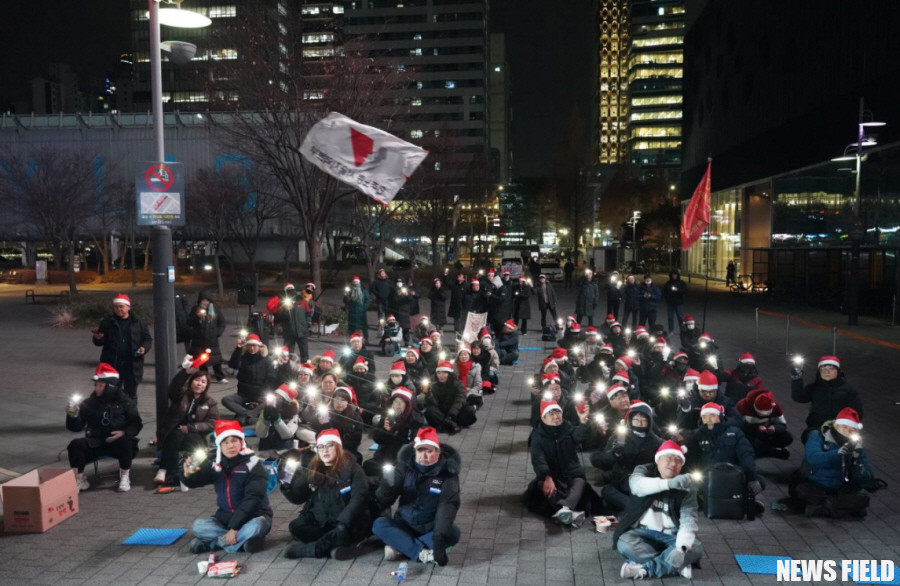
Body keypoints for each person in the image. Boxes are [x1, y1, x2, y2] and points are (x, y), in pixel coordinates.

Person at [614, 440, 704, 580]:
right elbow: (637, 486)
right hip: (642, 533)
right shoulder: (644, 470)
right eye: (668, 458)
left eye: (678, 460)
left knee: (696, 547)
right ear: (658, 459)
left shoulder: (687, 485)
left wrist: (681, 548)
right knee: (624, 543)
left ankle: (644, 569)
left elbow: (688, 520)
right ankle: (675, 566)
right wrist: (668, 484)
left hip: (672, 537)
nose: (673, 463)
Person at [373, 427, 462, 566]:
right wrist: (386, 486)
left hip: (429, 527)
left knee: (453, 532)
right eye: (420, 450)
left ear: (437, 452)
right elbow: (385, 500)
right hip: (405, 523)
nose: (424, 456)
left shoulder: (448, 474)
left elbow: (447, 507)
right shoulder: (404, 466)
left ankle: (401, 547)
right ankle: (420, 552)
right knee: (379, 525)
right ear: (414, 451)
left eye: (429, 451)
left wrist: (438, 542)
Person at [182, 420, 273, 553]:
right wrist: (186, 474)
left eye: (234, 441)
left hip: (253, 517)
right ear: (220, 446)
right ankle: (242, 542)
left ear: (242, 442)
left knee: (258, 526)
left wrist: (234, 529)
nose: (231, 445)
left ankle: (214, 544)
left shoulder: (254, 465)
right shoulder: (216, 464)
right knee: (198, 526)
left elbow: (253, 499)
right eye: (226, 442)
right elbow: (195, 482)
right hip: (225, 518)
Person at [281, 429, 372, 559]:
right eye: (321, 447)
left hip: (346, 522)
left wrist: (343, 521)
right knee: (296, 526)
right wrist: (287, 486)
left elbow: (360, 497)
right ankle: (335, 545)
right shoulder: (314, 468)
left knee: (341, 532)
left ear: (338, 448)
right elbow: (299, 497)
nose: (325, 450)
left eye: (329, 446)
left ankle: (313, 549)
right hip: (322, 522)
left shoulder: (353, 468)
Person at [66, 363, 143, 492]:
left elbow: (136, 423)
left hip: (117, 443)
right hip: (96, 442)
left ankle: (124, 476)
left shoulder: (125, 402)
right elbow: (76, 427)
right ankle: (79, 478)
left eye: (101, 385)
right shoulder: (89, 403)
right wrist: (72, 416)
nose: (97, 388)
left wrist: (124, 432)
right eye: (96, 385)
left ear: (110, 387)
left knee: (125, 441)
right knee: (75, 445)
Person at [523, 400, 602, 526]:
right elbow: (539, 460)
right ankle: (571, 514)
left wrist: (583, 421)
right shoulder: (537, 436)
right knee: (544, 490)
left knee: (580, 483)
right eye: (551, 414)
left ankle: (565, 510)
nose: (556, 417)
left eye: (558, 413)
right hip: (552, 475)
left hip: (572, 473)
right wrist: (547, 477)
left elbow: (579, 436)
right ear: (543, 418)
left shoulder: (567, 428)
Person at [792, 408, 872, 518]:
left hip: (841, 487)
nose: (848, 431)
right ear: (835, 425)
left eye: (852, 429)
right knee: (803, 492)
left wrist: (858, 464)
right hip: (816, 483)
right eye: (844, 427)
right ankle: (839, 509)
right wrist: (836, 454)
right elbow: (813, 458)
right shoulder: (818, 436)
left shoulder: (856, 446)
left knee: (863, 497)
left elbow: (867, 476)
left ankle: (826, 509)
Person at [685, 402, 764, 513]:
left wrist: (751, 477)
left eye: (712, 416)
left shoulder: (735, 433)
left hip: (732, 477)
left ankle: (747, 500)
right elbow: (690, 459)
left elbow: (746, 455)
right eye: (704, 417)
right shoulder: (697, 435)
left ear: (720, 417)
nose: (709, 420)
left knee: (759, 481)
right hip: (707, 478)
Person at [592, 401, 664, 511]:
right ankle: (636, 507)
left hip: (643, 481)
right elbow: (602, 459)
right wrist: (616, 453)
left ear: (649, 421)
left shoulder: (657, 442)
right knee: (607, 491)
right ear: (630, 420)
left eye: (643, 420)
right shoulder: (620, 437)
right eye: (636, 419)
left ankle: (635, 506)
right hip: (622, 480)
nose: (639, 423)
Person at [156, 369, 218, 486]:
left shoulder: (210, 402)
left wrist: (191, 427)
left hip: (195, 432)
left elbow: (212, 423)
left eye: (203, 382)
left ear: (207, 386)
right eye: (197, 380)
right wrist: (185, 372)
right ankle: (170, 472)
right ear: (191, 382)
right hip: (176, 429)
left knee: (196, 444)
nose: (199, 384)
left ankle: (192, 471)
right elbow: (174, 388)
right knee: (174, 438)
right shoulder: (181, 396)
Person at [91, 293, 152, 402]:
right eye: (116, 307)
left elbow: (147, 339)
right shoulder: (107, 322)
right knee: (111, 392)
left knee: (131, 394)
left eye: (121, 306)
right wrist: (98, 338)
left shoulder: (138, 322)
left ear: (128, 307)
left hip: (132, 364)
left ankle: (131, 416)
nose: (119, 309)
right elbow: (100, 342)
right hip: (112, 364)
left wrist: (144, 348)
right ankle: (114, 416)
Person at [791, 355, 863, 440]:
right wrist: (796, 379)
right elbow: (799, 397)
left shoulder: (849, 390)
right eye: (823, 369)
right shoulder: (814, 387)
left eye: (831, 369)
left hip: (840, 429)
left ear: (838, 371)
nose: (827, 372)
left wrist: (847, 426)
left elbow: (856, 412)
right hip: (816, 427)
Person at [363, 387, 424, 477]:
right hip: (386, 455)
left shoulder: (414, 420)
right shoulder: (387, 416)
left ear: (407, 404)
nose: (398, 405)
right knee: (368, 466)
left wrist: (398, 430)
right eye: (396, 401)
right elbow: (377, 438)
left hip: (404, 456)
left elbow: (411, 444)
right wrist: (385, 430)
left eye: (402, 402)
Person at [224, 333, 275, 425]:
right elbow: (233, 365)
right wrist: (238, 348)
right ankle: (250, 415)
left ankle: (244, 415)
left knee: (273, 401)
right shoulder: (243, 357)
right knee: (226, 399)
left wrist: (264, 394)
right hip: (243, 394)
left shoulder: (266, 359)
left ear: (259, 346)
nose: (252, 348)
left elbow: (270, 379)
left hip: (260, 395)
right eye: (249, 346)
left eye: (254, 346)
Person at [735, 389, 792, 459]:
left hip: (767, 432)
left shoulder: (776, 408)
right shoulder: (742, 406)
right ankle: (763, 451)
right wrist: (756, 428)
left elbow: (782, 424)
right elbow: (736, 424)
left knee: (787, 437)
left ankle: (766, 450)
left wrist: (775, 428)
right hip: (749, 433)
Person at [187, 290, 228, 383]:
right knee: (202, 361)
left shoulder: (215, 309)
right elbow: (189, 322)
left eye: (207, 300)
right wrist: (197, 317)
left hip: (212, 340)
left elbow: (222, 322)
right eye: (203, 300)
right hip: (199, 341)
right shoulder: (195, 309)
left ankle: (220, 377)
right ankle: (204, 378)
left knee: (216, 360)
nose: (205, 302)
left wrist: (217, 332)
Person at [423, 361, 472, 434]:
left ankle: (447, 424)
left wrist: (452, 414)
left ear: (449, 374)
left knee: (469, 410)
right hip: (441, 411)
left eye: (444, 373)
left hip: (454, 411)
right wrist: (429, 396)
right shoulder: (434, 385)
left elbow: (460, 399)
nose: (441, 375)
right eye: (439, 373)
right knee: (429, 411)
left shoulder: (457, 384)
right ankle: (450, 425)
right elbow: (434, 404)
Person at [255, 384, 301, 453]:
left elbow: (287, 435)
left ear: (285, 401)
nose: (276, 398)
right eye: (275, 395)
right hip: (267, 445)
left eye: (279, 397)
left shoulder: (293, 414)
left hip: (283, 446)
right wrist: (266, 421)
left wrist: (277, 420)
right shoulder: (266, 411)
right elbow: (260, 434)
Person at [277, 283, 314, 363]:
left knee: (304, 354)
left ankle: (305, 371)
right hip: (289, 333)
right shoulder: (282, 303)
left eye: (292, 290)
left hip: (302, 332)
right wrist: (287, 310)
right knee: (288, 354)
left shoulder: (302, 301)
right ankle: (289, 369)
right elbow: (279, 317)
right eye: (288, 291)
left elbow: (308, 313)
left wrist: (308, 323)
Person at [342, 276, 371, 343]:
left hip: (361, 312)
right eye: (354, 282)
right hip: (352, 312)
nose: (356, 283)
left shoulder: (363, 290)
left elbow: (367, 300)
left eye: (357, 282)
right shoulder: (350, 291)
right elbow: (346, 301)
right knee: (351, 326)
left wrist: (364, 307)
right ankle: (351, 338)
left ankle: (366, 338)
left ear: (359, 282)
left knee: (364, 327)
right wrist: (346, 296)